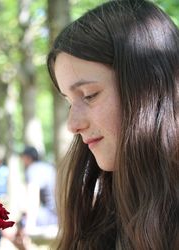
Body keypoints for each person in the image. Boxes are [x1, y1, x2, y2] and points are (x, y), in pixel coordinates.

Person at [47, 0, 179, 249]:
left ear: (148, 88)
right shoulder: (103, 219)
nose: (73, 125)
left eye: (89, 95)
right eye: (69, 102)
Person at [12, 146, 57, 250]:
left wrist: (29, 225)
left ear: (27, 158)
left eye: (23, 158)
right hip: (59, 214)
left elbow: (33, 196)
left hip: (50, 216)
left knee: (9, 229)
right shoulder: (48, 167)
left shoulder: (33, 169)